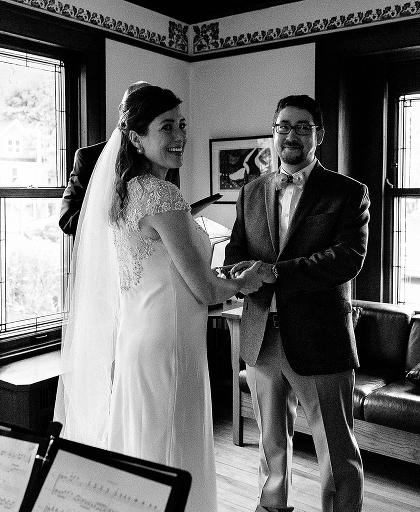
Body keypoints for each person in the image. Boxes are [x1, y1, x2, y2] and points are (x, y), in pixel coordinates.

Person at [54, 84, 264, 512]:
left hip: (138, 341)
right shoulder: (160, 194)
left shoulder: (122, 193)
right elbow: (204, 290)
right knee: (173, 449)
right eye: (166, 127)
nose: (180, 136)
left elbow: (167, 273)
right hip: (169, 346)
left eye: (182, 125)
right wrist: (248, 280)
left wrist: (221, 275)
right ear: (135, 137)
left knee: (142, 445)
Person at [223, 95, 369, 512]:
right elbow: (236, 252)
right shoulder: (250, 192)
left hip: (321, 340)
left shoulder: (348, 193)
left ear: (319, 135)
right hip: (261, 338)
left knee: (337, 455)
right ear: (273, 132)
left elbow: (347, 259)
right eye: (283, 126)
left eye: (302, 127)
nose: (291, 135)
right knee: (270, 450)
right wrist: (236, 273)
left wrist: (275, 273)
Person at [58, 81, 180, 235]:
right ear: (122, 110)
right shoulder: (88, 157)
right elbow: (67, 220)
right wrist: (116, 214)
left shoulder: (164, 158)